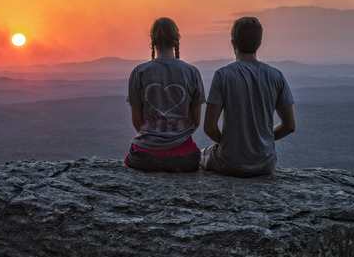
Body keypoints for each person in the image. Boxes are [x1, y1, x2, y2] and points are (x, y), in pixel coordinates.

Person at [201, 16, 295, 177]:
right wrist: (261, 140)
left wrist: (229, 144)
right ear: (259, 43)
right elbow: (289, 125)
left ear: (233, 43)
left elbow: (209, 127)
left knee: (201, 155)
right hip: (265, 164)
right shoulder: (276, 76)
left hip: (229, 162)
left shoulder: (223, 75)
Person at [124, 17, 206, 172]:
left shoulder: (139, 72)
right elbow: (195, 122)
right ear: (177, 39)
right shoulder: (192, 72)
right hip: (184, 157)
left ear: (152, 40)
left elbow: (137, 122)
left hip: (144, 156)